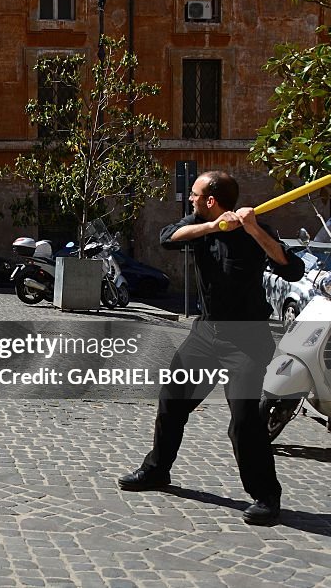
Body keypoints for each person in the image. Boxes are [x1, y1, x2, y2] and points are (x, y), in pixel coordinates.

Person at [117, 171, 304, 526]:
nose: (190, 199)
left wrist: (252, 229)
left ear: (211, 199)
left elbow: (291, 268)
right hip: (205, 335)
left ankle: (266, 496)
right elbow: (169, 237)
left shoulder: (257, 229)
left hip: (246, 339)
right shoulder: (200, 223)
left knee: (246, 421)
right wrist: (214, 226)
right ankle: (157, 471)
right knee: (172, 402)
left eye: (195, 194)